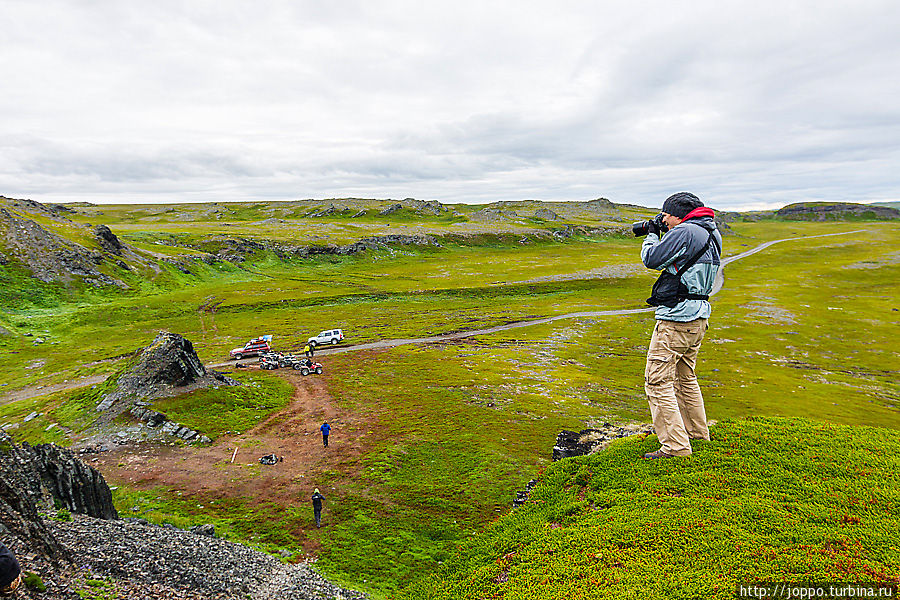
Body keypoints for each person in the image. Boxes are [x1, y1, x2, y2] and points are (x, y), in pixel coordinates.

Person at [640, 192, 722, 459]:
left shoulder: (685, 231)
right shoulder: (711, 232)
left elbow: (652, 259)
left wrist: (652, 234)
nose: (663, 219)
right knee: (685, 376)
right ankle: (697, 433)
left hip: (677, 318)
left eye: (665, 214)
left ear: (677, 213)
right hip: (699, 316)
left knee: (657, 380)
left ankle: (675, 447)